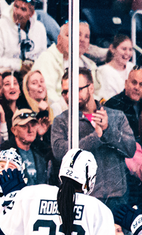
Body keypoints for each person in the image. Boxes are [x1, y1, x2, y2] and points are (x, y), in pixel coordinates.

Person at [49, 67, 136, 206]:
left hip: (116, 197)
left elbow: (130, 149)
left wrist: (108, 130)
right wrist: (96, 137)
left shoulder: (116, 116)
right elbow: (60, 153)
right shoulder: (61, 121)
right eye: (65, 91)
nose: (69, 95)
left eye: (77, 89)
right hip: (81, 198)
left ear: (90, 88)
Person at [37, 22, 99, 115]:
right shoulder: (46, 58)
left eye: (86, 36)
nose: (80, 39)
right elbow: (49, 95)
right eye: (70, 35)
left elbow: (97, 92)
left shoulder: (90, 64)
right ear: (59, 39)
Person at [0, 0, 47, 73]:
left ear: (31, 13)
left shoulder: (40, 28)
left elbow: (43, 59)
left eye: (23, 9)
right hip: (7, 77)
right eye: (16, 6)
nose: (18, 12)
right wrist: (19, 66)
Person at [1, 109, 53, 186]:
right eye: (24, 126)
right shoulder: (5, 155)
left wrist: (41, 136)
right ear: (14, 130)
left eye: (33, 125)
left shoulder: (41, 152)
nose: (30, 130)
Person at [105, 69, 142, 143]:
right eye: (134, 83)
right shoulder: (113, 104)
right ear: (126, 83)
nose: (137, 88)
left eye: (141, 84)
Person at [94, 35, 136, 102]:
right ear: (112, 49)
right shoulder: (103, 71)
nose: (128, 53)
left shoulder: (132, 67)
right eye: (124, 49)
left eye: (130, 49)